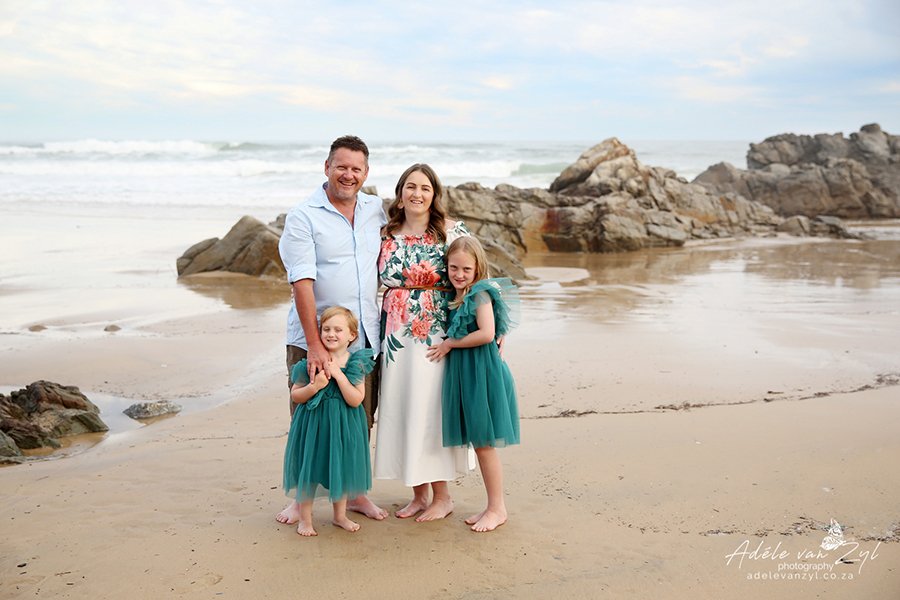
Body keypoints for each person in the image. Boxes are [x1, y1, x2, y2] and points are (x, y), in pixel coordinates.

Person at [276, 135, 389, 524]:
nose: (348, 175)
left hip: (363, 337)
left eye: (356, 168)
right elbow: (301, 281)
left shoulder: (375, 209)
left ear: (366, 173)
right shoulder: (303, 216)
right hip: (316, 337)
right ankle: (301, 498)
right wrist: (315, 345)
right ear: (327, 167)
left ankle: (354, 494)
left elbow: (422, 224)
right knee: (308, 418)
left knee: (360, 418)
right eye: (341, 166)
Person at [373, 164, 475, 521]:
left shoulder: (451, 232)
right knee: (404, 406)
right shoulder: (385, 234)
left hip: (436, 334)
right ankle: (418, 494)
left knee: (431, 410)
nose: (417, 193)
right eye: (411, 187)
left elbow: (478, 278)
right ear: (400, 194)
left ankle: (442, 497)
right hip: (395, 336)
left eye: (425, 188)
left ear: (434, 196)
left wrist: (492, 329)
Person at [426, 236, 520, 532]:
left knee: (484, 444)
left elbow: (487, 333)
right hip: (469, 373)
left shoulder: (479, 294)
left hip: (483, 374)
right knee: (480, 445)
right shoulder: (457, 294)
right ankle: (492, 507)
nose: (459, 274)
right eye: (453, 267)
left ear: (478, 268)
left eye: (467, 269)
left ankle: (497, 509)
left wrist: (449, 344)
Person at [283, 307, 375, 536]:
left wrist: (339, 375)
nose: (331, 334)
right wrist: (315, 386)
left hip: (343, 426)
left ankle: (340, 516)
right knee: (310, 468)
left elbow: (356, 399)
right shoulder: (310, 362)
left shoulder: (356, 364)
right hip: (314, 425)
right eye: (326, 329)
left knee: (341, 469)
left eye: (338, 330)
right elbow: (296, 395)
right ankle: (305, 520)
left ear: (352, 335)